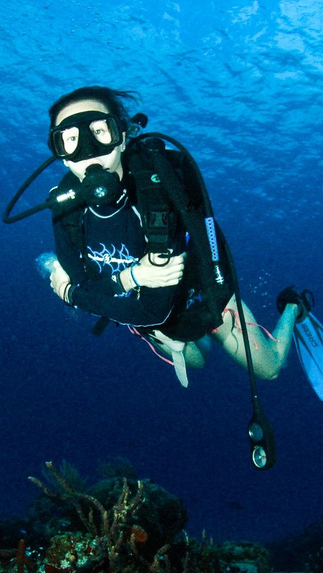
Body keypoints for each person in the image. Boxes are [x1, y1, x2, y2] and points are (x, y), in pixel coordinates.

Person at [46, 86, 303, 387]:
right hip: (142, 306)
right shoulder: (65, 205)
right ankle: (187, 337)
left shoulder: (157, 187)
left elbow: (103, 297)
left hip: (201, 291)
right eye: (71, 139)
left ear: (122, 137)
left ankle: (293, 305)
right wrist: (131, 279)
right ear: (61, 155)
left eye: (100, 131)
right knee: (196, 361)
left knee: (268, 369)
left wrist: (72, 293)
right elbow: (84, 284)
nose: (88, 151)